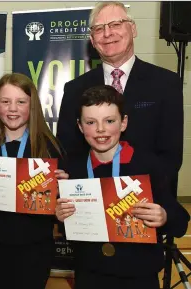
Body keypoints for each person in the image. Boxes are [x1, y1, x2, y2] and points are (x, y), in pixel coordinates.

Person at [55, 85, 189, 289]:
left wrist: (164, 216)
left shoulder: (147, 165)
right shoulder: (72, 169)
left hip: (138, 276)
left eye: (109, 121)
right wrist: (60, 214)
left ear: (123, 122)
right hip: (90, 273)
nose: (100, 129)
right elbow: (70, 227)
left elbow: (181, 221)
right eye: (91, 122)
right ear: (80, 127)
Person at [57, 1, 183, 197]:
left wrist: (149, 200)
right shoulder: (74, 89)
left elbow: (171, 156)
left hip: (145, 203)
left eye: (116, 24)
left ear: (133, 29)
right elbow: (67, 151)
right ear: (92, 39)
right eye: (99, 29)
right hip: (91, 202)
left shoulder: (166, 84)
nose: (107, 34)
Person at [0, 73, 68, 289]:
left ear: (32, 106)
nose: (13, 109)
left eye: (21, 102)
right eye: (5, 101)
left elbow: (62, 206)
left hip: (35, 248)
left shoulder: (50, 148)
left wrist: (63, 189)